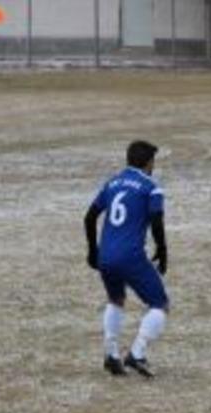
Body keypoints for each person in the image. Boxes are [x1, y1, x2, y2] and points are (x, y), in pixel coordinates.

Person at [84, 140, 170, 377]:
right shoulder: (151, 186)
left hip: (106, 256)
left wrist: (92, 251)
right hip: (130, 256)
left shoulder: (112, 182)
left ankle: (111, 355)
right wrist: (162, 250)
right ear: (148, 163)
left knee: (116, 300)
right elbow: (156, 219)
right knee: (160, 304)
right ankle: (137, 353)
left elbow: (89, 217)